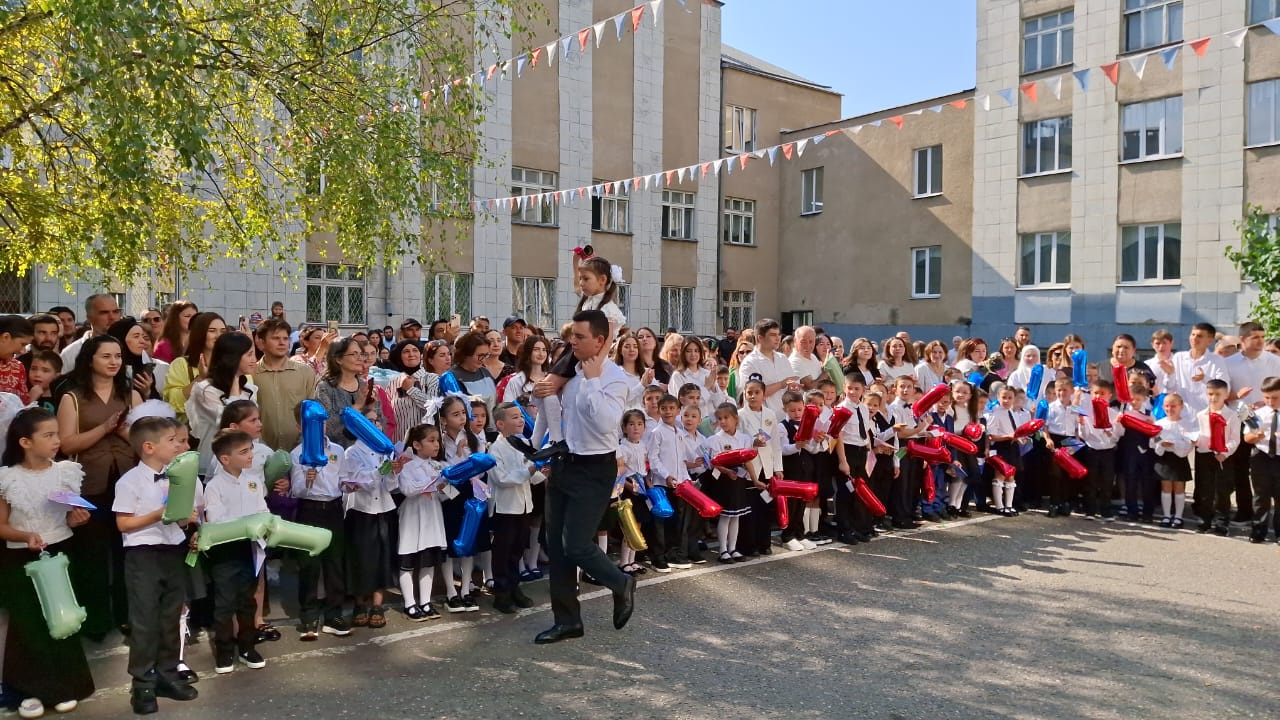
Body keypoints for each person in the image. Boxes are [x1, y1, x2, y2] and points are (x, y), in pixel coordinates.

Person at [532, 309, 635, 644]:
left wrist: (592, 382)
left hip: (595, 468)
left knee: (576, 544)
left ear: (600, 340)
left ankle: (620, 582)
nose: (571, 342)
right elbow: (557, 415)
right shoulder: (570, 373)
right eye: (571, 336)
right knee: (556, 547)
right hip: (564, 463)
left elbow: (605, 424)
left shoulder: (615, 378)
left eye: (579, 337)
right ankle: (567, 621)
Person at [0, 408, 95, 718]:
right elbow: (1, 526)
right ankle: (28, 690)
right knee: (28, 623)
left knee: (62, 618)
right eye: (49, 435)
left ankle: (66, 686)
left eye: (57, 434)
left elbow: (69, 515)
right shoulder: (7, 477)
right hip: (20, 555)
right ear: (25, 442)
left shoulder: (65, 472)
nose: (57, 440)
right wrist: (24, 535)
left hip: (60, 551)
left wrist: (77, 519)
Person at [56, 335, 143, 640]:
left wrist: (121, 433)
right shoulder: (73, 397)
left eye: (118, 356)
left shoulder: (131, 394)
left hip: (128, 483)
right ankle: (95, 620)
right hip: (89, 484)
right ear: (90, 359)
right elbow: (66, 444)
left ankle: (126, 614)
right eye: (106, 356)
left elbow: (145, 442)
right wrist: (104, 429)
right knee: (92, 555)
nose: (113, 362)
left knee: (127, 554)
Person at [113, 416, 199, 714]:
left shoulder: (177, 475)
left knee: (170, 616)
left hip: (172, 550)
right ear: (149, 447)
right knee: (144, 621)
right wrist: (159, 514)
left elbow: (187, 513)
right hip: (143, 555)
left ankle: (167, 673)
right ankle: (142, 684)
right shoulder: (129, 481)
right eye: (172, 441)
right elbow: (123, 523)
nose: (178, 445)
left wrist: (188, 519)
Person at [203, 429, 269, 675]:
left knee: (247, 601)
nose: (251, 455)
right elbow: (217, 518)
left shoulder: (253, 481)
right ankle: (224, 650)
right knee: (224, 604)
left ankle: (247, 646)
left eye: (250, 449)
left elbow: (263, 509)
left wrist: (262, 524)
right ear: (225, 459)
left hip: (248, 548)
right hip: (225, 550)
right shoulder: (214, 486)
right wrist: (248, 523)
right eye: (244, 452)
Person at [288, 403, 350, 640]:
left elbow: (342, 478)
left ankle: (334, 614)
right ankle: (308, 616)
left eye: (321, 420)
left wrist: (347, 485)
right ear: (299, 426)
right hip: (310, 509)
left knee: (334, 562)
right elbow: (296, 490)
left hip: (333, 508)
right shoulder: (297, 454)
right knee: (309, 564)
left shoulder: (337, 450)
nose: (318, 426)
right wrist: (308, 479)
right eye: (310, 423)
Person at [340, 410, 402, 630]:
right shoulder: (352, 452)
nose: (375, 424)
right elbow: (361, 481)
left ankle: (377, 604)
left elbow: (391, 486)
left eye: (377, 420)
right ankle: (359, 602)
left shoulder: (385, 449)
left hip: (383, 508)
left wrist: (394, 471)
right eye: (370, 421)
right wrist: (383, 470)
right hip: (362, 509)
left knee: (383, 556)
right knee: (361, 557)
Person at [487, 403, 541, 613]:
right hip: (505, 508)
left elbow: (533, 473)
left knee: (517, 549)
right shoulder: (495, 449)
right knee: (503, 551)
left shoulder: (523, 442)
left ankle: (514, 587)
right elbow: (502, 479)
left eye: (521, 416)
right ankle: (501, 592)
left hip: (524, 506)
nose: (520, 420)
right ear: (500, 424)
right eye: (515, 417)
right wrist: (529, 471)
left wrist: (542, 469)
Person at [186, 333, 258, 478]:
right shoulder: (205, 390)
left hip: (245, 466)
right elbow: (231, 424)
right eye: (249, 355)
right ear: (233, 357)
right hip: (212, 466)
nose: (254, 360)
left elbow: (253, 428)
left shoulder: (250, 389)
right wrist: (233, 383)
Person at [395, 424, 447, 620]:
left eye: (437, 441)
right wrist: (432, 483)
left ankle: (425, 602)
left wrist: (446, 487)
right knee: (407, 561)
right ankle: (409, 603)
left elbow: (445, 496)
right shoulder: (406, 465)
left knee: (428, 561)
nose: (436, 445)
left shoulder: (438, 465)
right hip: (413, 517)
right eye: (431, 440)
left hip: (432, 516)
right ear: (416, 444)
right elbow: (407, 490)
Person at [253, 319, 317, 452]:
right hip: (261, 451)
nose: (282, 343)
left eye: (285, 338)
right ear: (261, 342)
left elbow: (312, 412)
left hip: (299, 451)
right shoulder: (252, 374)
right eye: (275, 338)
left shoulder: (305, 372)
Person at [737, 375, 784, 555]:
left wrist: (778, 467)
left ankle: (764, 543)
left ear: (764, 395)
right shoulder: (740, 415)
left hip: (767, 466)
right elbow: (737, 441)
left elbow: (776, 444)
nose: (753, 396)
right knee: (750, 508)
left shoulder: (770, 414)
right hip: (750, 467)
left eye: (757, 392)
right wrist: (751, 443)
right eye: (749, 393)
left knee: (765, 506)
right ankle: (749, 545)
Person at [315, 338, 385, 449]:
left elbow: (381, 426)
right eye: (354, 354)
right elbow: (328, 428)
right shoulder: (325, 387)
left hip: (365, 454)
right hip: (336, 455)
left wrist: (371, 410)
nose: (360, 358)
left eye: (361, 354)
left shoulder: (364, 385)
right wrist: (357, 407)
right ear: (338, 359)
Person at [162, 313, 227, 424]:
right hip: (193, 434)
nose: (218, 335)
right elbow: (172, 401)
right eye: (212, 331)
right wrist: (200, 379)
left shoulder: (234, 363)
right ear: (200, 334)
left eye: (223, 331)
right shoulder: (181, 364)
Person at [1195, 378, 1240, 536]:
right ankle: (1204, 520)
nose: (1213, 398)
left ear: (1226, 395)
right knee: (1204, 489)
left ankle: (1222, 523)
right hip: (1204, 455)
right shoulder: (1201, 415)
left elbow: (1235, 439)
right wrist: (1195, 440)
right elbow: (1197, 433)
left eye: (1217, 394)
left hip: (1222, 456)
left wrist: (1225, 452)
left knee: (1222, 490)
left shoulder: (1232, 415)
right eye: (1210, 394)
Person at [1078, 379, 1123, 520]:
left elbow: (1119, 435)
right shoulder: (1087, 413)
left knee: (1107, 481)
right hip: (1092, 449)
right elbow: (1083, 435)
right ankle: (1090, 510)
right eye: (1095, 393)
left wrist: (1112, 432)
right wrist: (1082, 424)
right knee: (1091, 481)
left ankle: (1106, 510)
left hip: (1108, 450)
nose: (1098, 396)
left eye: (1102, 393)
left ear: (1109, 395)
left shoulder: (1114, 413)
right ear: (1091, 394)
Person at [1162, 323, 1227, 417]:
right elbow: (1169, 388)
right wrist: (1170, 374)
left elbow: (1225, 387)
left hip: (1207, 414)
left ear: (1210, 340)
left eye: (1199, 336)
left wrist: (1205, 379)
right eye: (1193, 334)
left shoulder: (1217, 360)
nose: (1194, 338)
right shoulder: (1178, 357)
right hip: (1183, 415)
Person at [1243, 377, 1280, 542]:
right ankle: (1258, 530)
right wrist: (1255, 436)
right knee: (1260, 495)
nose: (1270, 401)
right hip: (1262, 456)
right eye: (1267, 397)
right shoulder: (1257, 414)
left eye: (1275, 397)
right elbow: (1247, 438)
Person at [737, 319, 799, 415]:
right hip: (761, 418)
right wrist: (781, 384)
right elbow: (754, 394)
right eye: (773, 335)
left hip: (784, 417)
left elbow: (790, 382)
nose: (778, 338)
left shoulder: (782, 358)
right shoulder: (750, 363)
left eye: (778, 334)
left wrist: (792, 386)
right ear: (760, 338)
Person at [386, 340, 440, 438]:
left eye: (415, 350)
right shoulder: (393, 381)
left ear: (420, 355)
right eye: (406, 351)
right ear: (400, 357)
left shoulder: (432, 378)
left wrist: (411, 390)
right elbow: (388, 415)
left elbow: (434, 408)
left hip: (425, 443)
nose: (411, 354)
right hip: (399, 442)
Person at [108, 317, 168, 402]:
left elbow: (157, 408)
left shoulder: (145, 368)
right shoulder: (109, 367)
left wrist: (147, 392)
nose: (142, 341)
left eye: (143, 337)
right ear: (121, 339)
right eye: (136, 336)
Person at [669, 337, 724, 421]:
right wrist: (706, 388)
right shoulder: (678, 376)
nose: (693, 354)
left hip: (711, 422)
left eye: (696, 351)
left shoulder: (707, 373)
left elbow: (720, 403)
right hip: (690, 423)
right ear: (683, 353)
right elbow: (684, 403)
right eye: (689, 351)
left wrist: (713, 388)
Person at [60, 295, 122, 370]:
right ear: (89, 318)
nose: (112, 317)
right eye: (104, 313)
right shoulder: (71, 353)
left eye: (115, 312)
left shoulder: (132, 347)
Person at [0, 315, 33, 403]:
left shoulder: (17, 367)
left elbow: (23, 404)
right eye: (22, 344)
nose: (23, 351)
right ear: (5, 337)